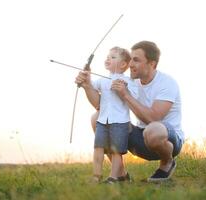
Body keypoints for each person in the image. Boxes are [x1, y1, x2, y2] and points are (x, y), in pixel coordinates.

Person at [111, 41, 184, 182]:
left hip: (167, 140)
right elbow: (103, 109)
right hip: (142, 138)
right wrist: (87, 85)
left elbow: (153, 118)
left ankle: (167, 163)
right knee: (100, 120)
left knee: (153, 129)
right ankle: (121, 174)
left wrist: (126, 95)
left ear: (152, 64)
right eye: (131, 59)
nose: (130, 64)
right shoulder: (130, 83)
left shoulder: (167, 83)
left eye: (136, 60)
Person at [75, 46, 137, 183]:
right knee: (98, 148)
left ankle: (114, 177)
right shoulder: (102, 81)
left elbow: (133, 97)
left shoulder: (128, 81)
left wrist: (123, 89)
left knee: (116, 151)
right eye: (107, 56)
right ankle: (96, 176)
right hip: (102, 121)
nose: (108, 58)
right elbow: (91, 87)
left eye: (113, 57)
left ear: (123, 64)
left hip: (120, 122)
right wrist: (85, 80)